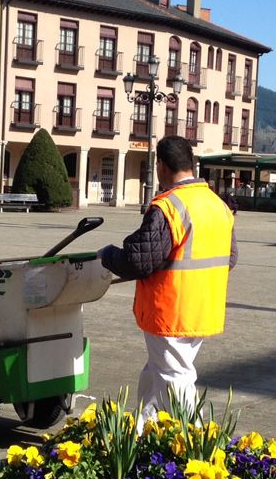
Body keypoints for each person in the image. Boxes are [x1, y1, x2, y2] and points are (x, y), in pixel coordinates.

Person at [99, 135, 237, 423]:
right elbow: (231, 257)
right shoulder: (218, 205)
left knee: (175, 378)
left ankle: (194, 442)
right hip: (203, 308)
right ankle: (145, 429)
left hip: (171, 311)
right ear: (191, 163)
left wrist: (108, 255)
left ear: (160, 166)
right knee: (157, 374)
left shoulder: (169, 206)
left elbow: (139, 259)